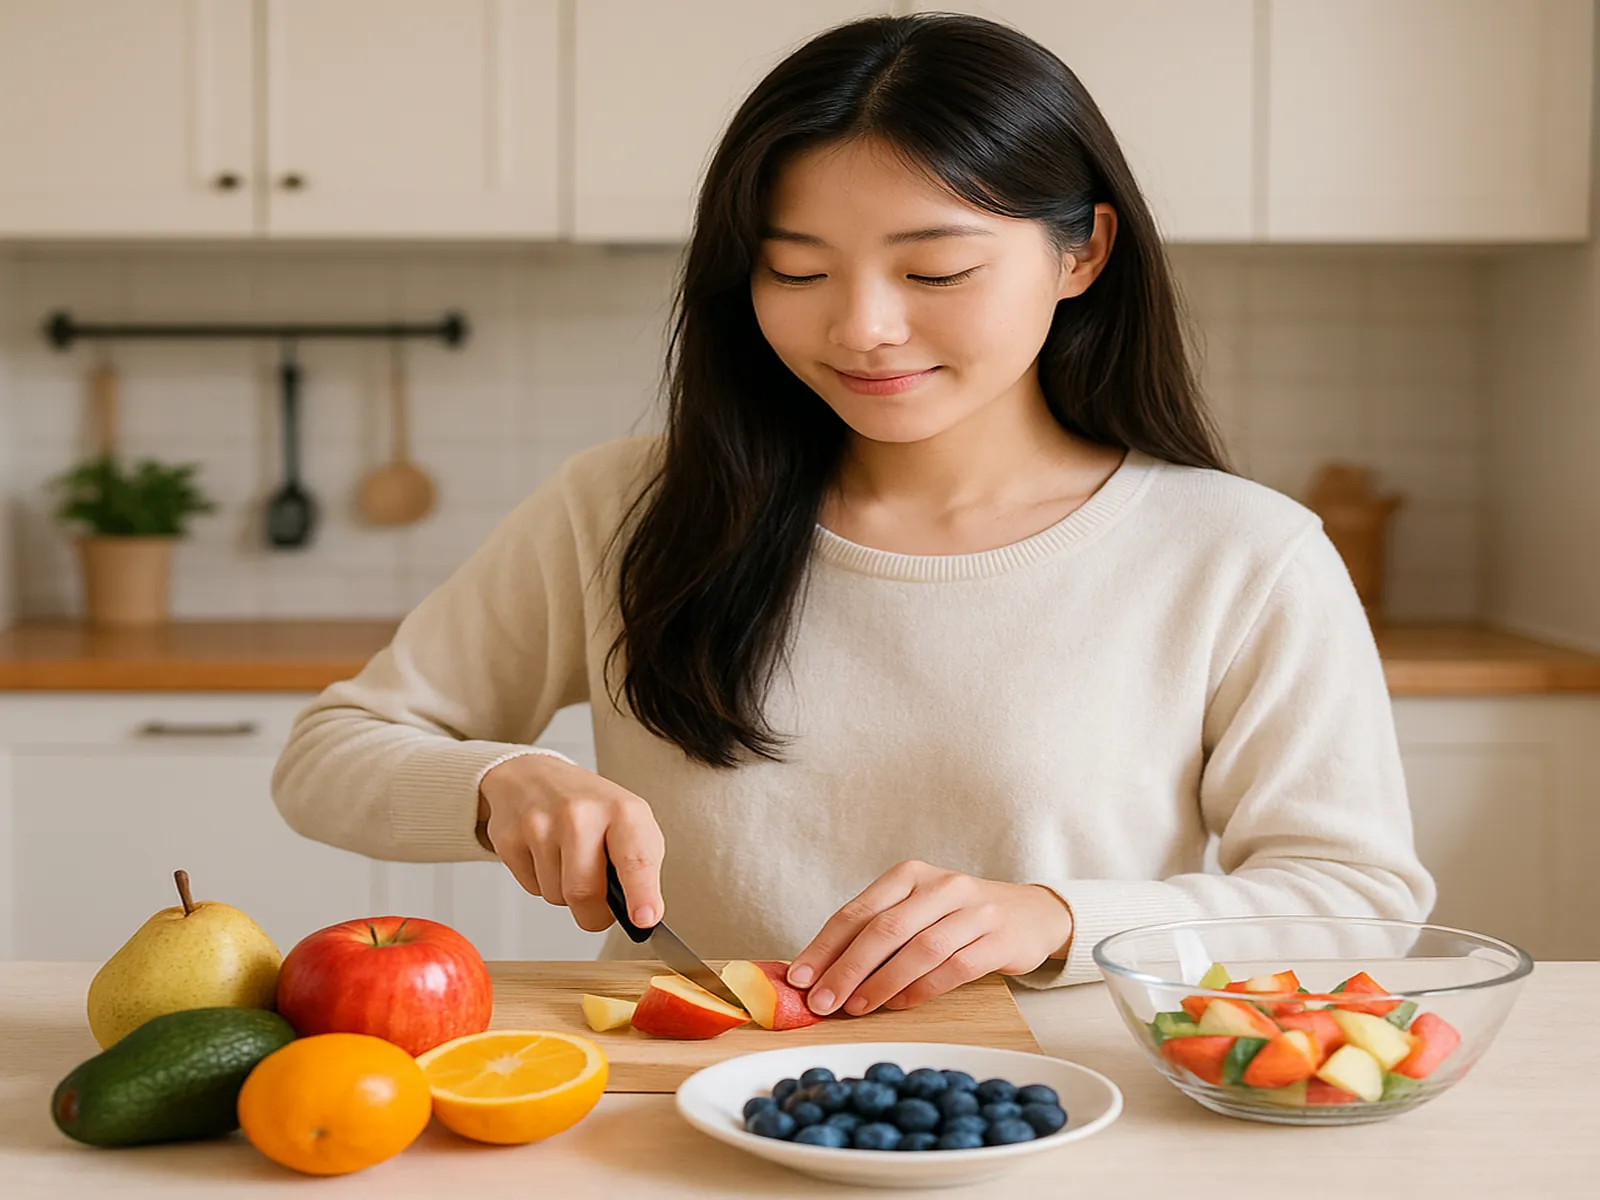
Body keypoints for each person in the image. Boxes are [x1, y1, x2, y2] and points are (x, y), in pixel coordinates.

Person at [271, 13, 1434, 1019]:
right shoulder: (621, 507)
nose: (860, 327)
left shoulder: (1239, 553)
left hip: (1060, 1116)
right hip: (681, 1101)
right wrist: (497, 784)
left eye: (933, 273)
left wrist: (1057, 919)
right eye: (795, 269)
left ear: (1081, 251)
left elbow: (1356, 903)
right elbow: (328, 757)